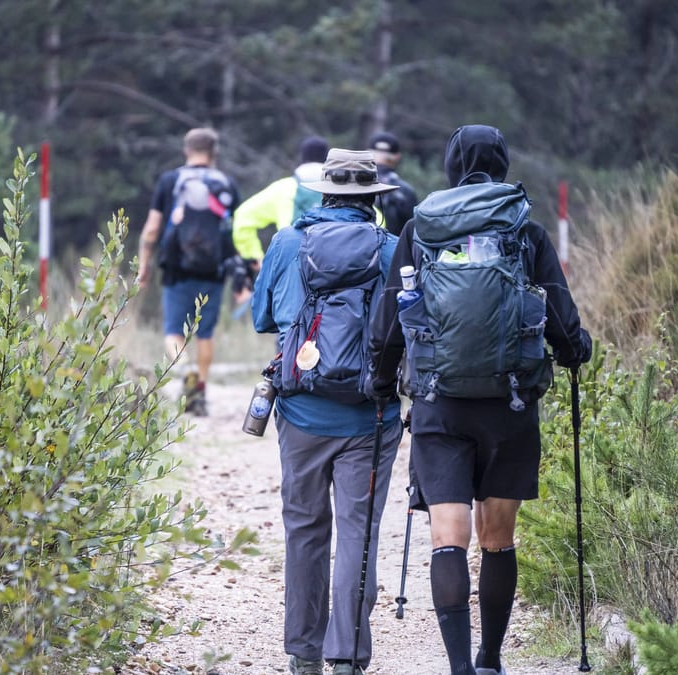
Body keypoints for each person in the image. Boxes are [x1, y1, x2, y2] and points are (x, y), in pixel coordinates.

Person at [368, 124, 592, 675]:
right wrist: (574, 351)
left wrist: (380, 379)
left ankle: (460, 668)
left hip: (439, 401)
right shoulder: (525, 230)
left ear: (449, 167)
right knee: (497, 537)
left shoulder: (421, 227)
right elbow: (561, 320)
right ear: (502, 164)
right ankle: (491, 660)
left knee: (448, 535)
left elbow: (392, 315)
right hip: (509, 403)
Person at [252, 148, 404, 675]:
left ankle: (303, 653)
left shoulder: (288, 242)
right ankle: (347, 658)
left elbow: (262, 317)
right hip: (371, 416)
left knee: (304, 528)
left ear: (323, 190)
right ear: (373, 199)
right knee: (358, 531)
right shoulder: (390, 249)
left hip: (300, 414)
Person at [136, 127, 243, 417]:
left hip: (176, 268)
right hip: (214, 270)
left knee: (173, 330)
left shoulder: (170, 181)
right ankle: (201, 391)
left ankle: (186, 373)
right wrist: (241, 274)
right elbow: (236, 232)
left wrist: (144, 263)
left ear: (186, 150)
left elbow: (152, 230)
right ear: (214, 152)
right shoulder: (227, 184)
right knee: (205, 332)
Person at [232, 135, 330, 273]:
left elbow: (243, 216)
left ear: (302, 159)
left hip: (291, 269)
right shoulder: (341, 191)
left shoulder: (283, 188)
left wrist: (255, 258)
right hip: (333, 271)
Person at [368, 131, 419, 236]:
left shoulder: (354, 186)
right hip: (395, 249)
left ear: (368, 153)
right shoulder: (406, 191)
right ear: (397, 157)